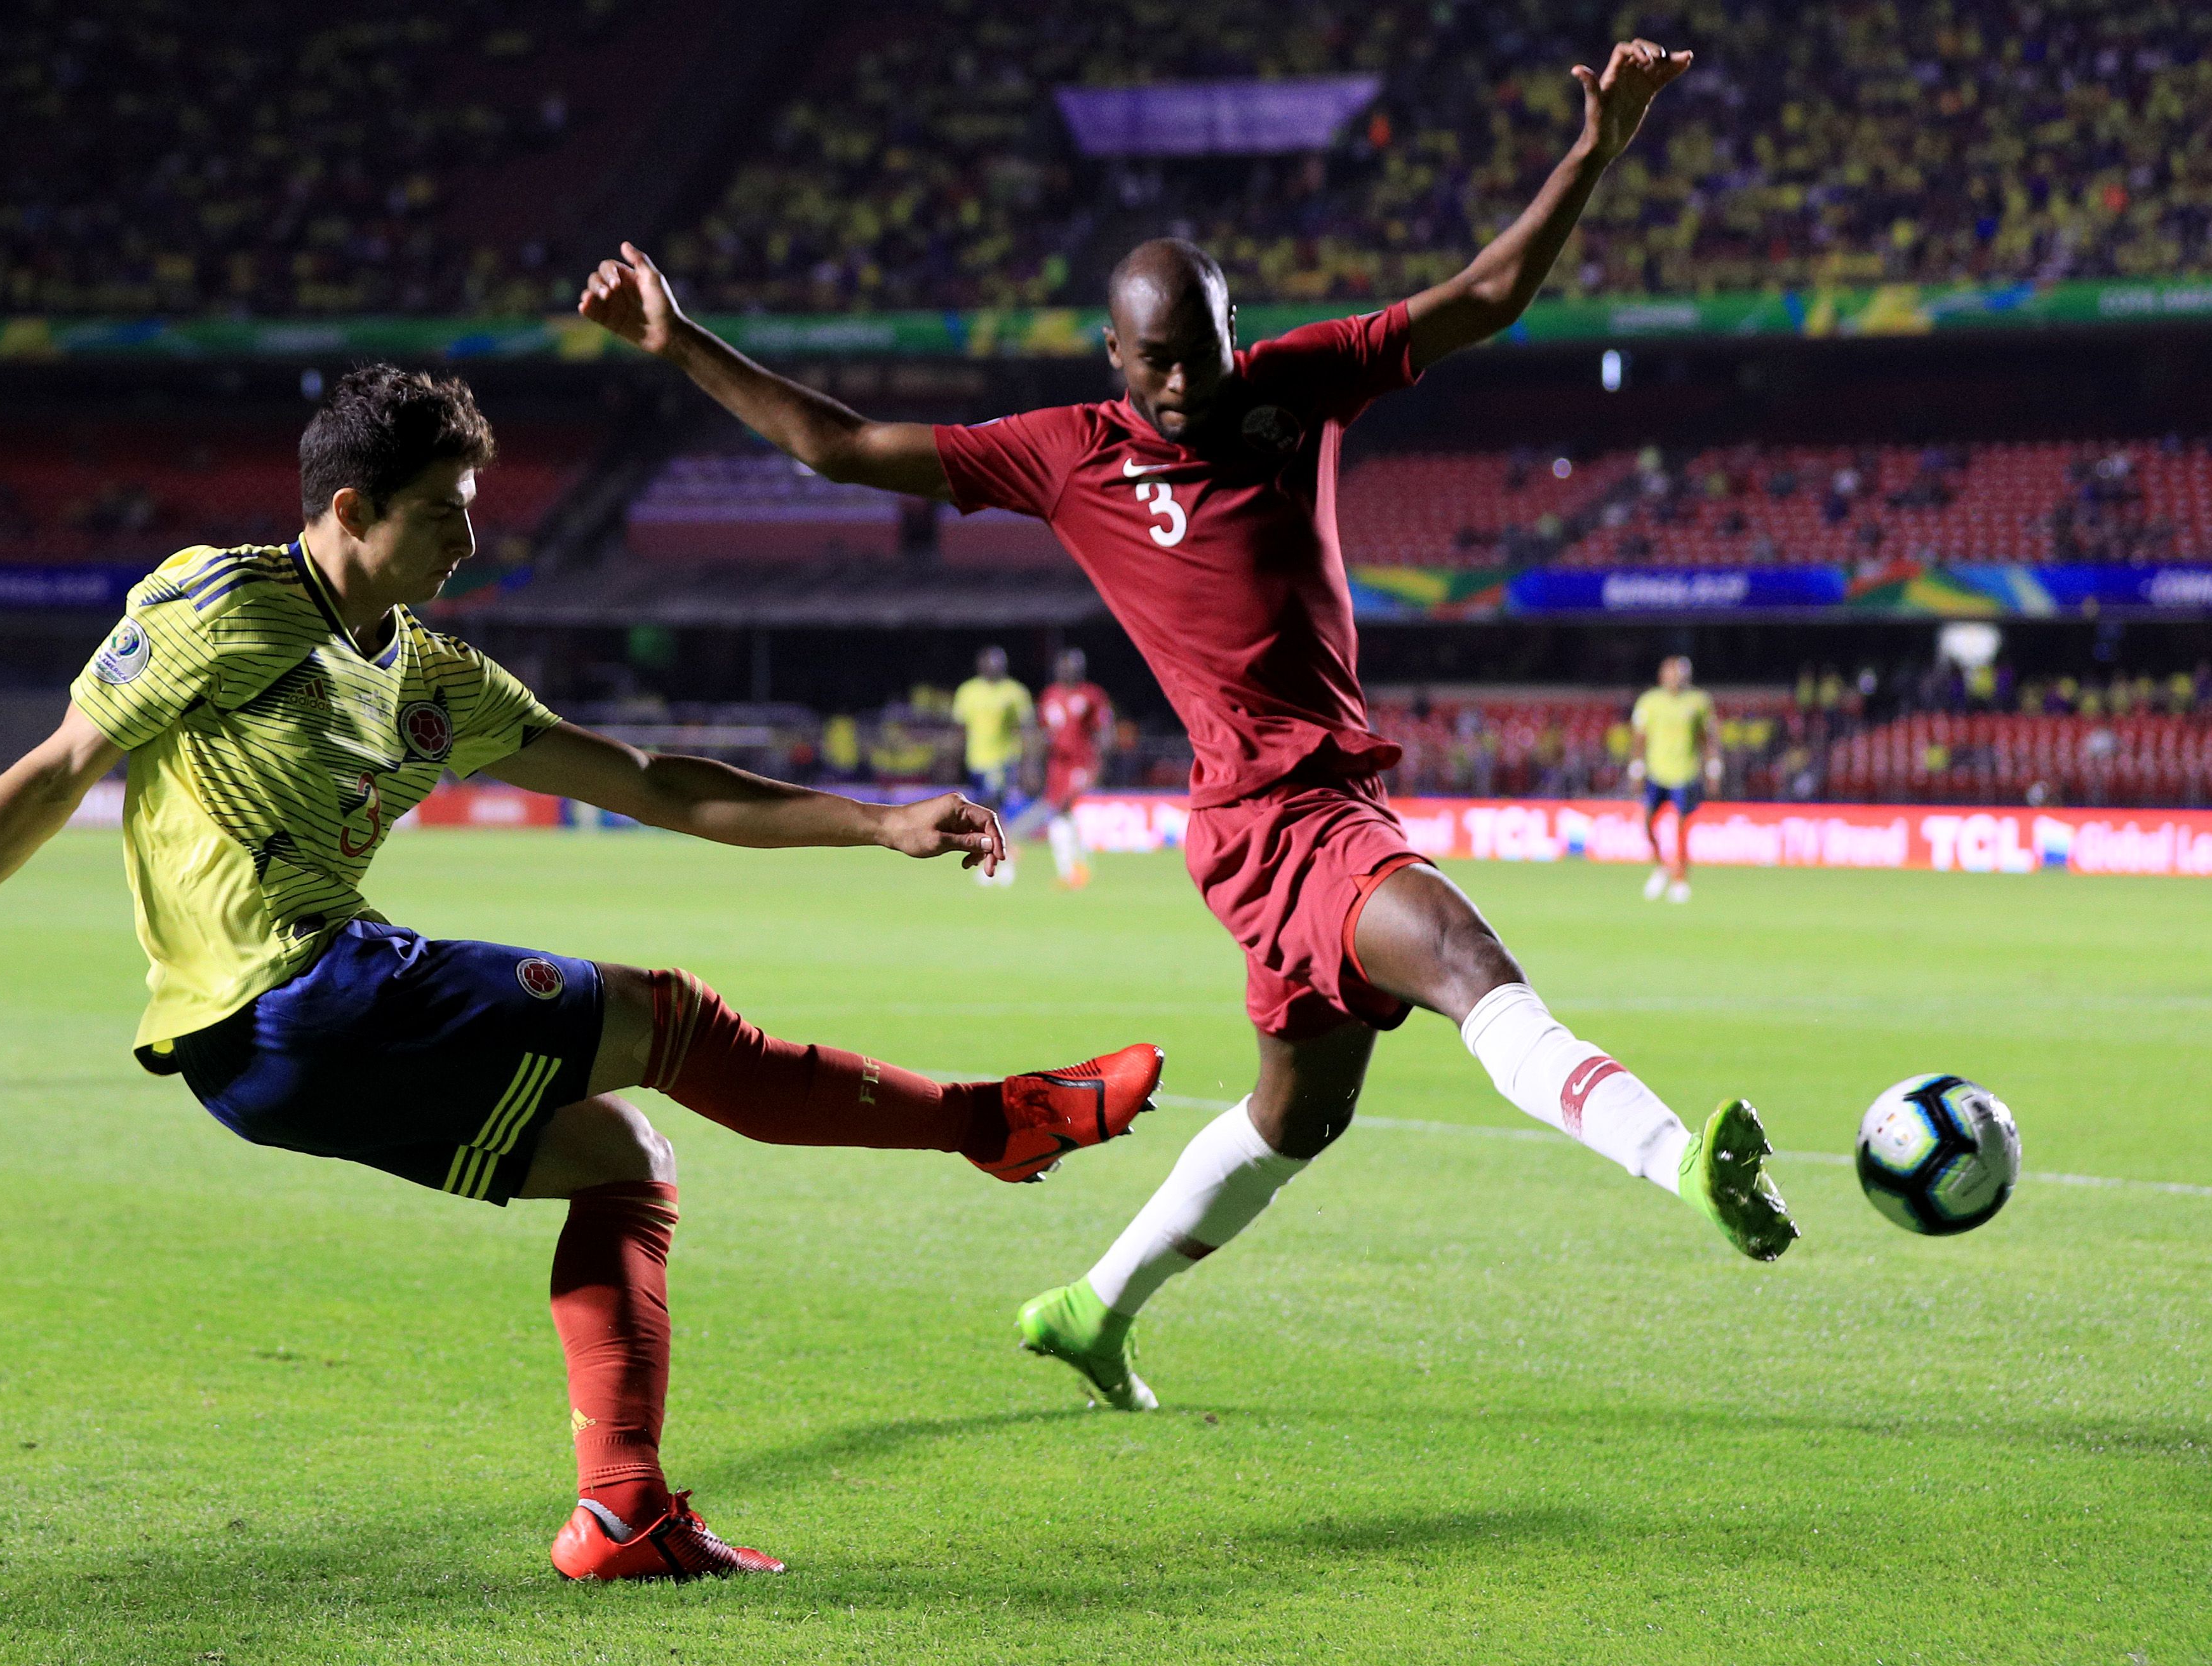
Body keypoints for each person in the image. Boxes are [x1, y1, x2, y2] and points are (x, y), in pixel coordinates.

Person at [579, 36, 1795, 1418]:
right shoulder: (1064, 453)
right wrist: (679, 343)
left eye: (1203, 356)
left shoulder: (1298, 384)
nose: (1183, 388)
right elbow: (844, 448)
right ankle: (1676, 1159)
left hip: (1301, 808)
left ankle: (1092, 1308)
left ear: (1234, 331)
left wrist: (1592, 151)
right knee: (1459, 954)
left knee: (1298, 1116)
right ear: (1113, 354)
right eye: (1156, 365)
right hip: (1278, 820)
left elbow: (1486, 294)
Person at [0, 366, 1163, 1575]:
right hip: (290, 995)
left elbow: (650, 781)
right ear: (346, 511)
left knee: (621, 1158)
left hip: (277, 1062)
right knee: (665, 1016)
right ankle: (992, 1123)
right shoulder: (218, 608)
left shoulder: (438, 677)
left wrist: (873, 821)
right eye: (442, 506)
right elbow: (43, 781)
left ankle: (621, 1517)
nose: (468, 531)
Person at [1629, 655, 1722, 903]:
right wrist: (1636, 768)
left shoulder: (1698, 702)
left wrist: (1713, 768)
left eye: (1679, 674)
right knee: (1647, 823)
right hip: (1657, 772)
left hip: (1685, 772)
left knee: (1681, 829)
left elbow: (1707, 737)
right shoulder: (1649, 701)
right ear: (1662, 676)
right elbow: (1639, 737)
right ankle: (1662, 865)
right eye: (1670, 673)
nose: (1675, 678)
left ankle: (1680, 880)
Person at [1022, 648, 1115, 889]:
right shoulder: (1050, 695)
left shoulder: (1092, 695)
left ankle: (1070, 872)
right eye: (1065, 666)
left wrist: (1100, 762)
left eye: (1074, 666)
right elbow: (1041, 732)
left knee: (1061, 811)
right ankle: (1079, 869)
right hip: (1057, 766)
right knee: (1065, 817)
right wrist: (1033, 764)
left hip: (1081, 764)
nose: (1069, 670)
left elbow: (1104, 729)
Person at [949, 645, 1035, 887]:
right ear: (980, 665)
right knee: (983, 813)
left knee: (991, 810)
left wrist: (1029, 764)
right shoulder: (968, 691)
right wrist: (953, 762)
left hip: (1003, 760)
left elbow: (1027, 729)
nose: (994, 667)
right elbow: (960, 728)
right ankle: (997, 857)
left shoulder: (1014, 692)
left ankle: (1002, 858)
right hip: (976, 761)